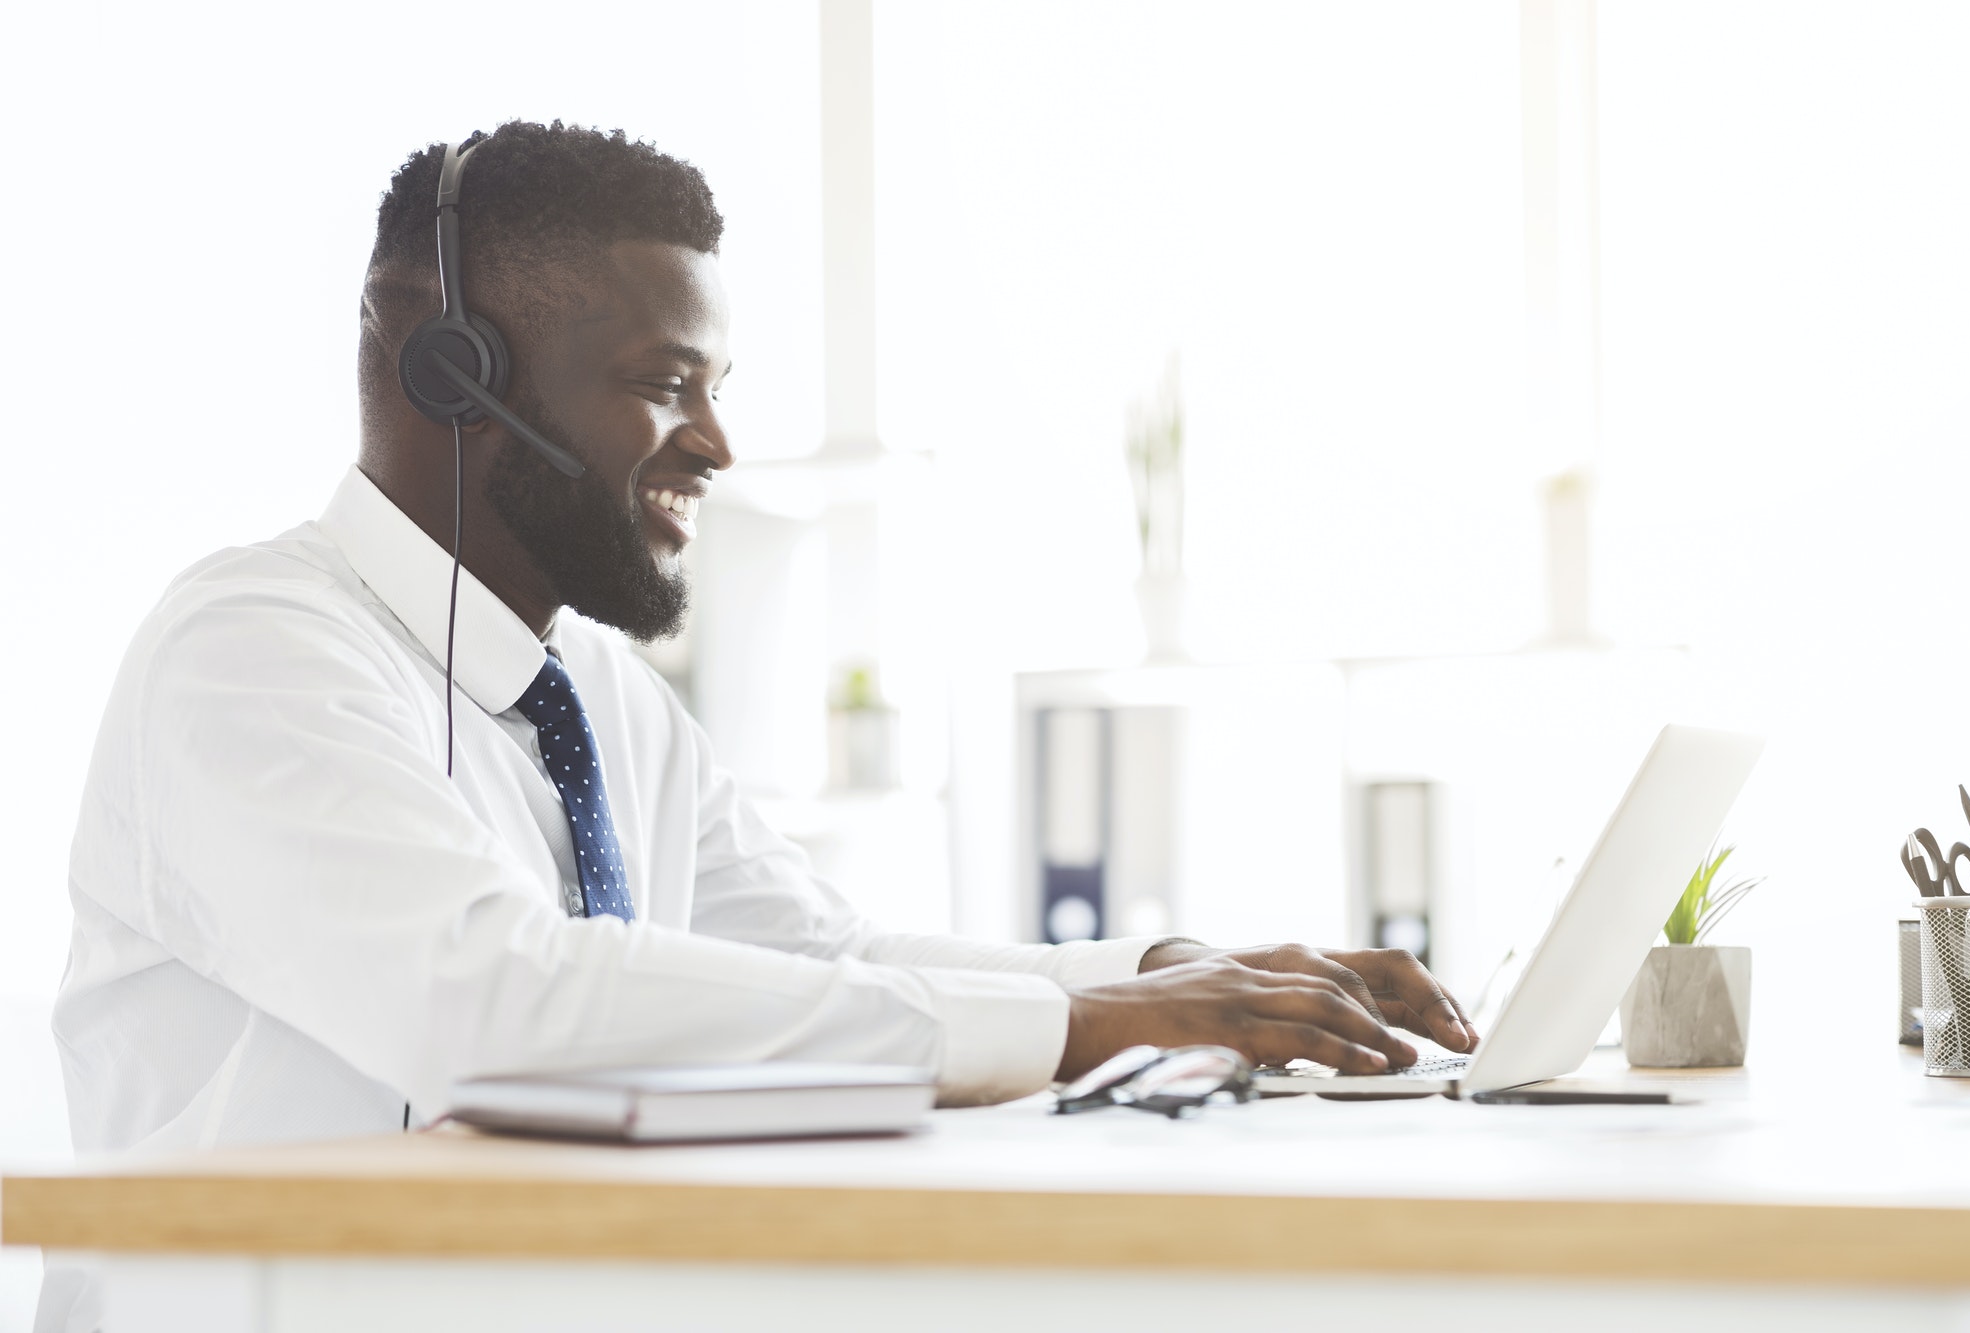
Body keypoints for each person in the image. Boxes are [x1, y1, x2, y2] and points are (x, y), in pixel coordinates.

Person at [44, 116, 1475, 1332]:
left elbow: (824, 953)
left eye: (717, 391)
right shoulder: (250, 658)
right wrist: (1075, 1022)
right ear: (455, 376)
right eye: (669, 384)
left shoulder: (598, 699)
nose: (717, 444)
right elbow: (495, 1004)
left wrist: (1176, 973)